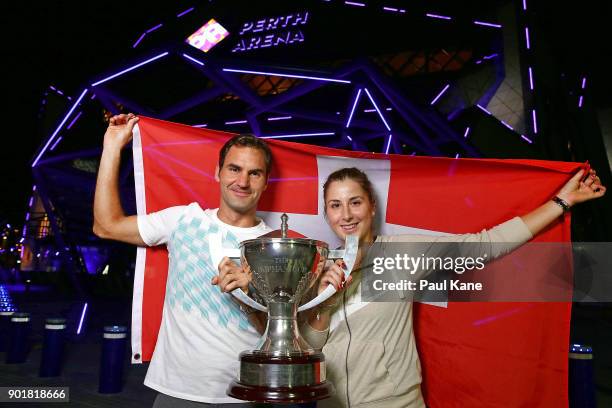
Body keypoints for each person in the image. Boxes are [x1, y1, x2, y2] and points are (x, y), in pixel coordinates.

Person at [302, 166, 606, 408]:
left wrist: (561, 202)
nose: (346, 215)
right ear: (327, 214)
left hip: (394, 402)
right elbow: (310, 346)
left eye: (355, 202)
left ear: (371, 205)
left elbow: (485, 244)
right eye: (335, 205)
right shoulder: (318, 264)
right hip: (332, 402)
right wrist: (326, 303)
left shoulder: (403, 253)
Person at [93, 113, 274, 407]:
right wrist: (112, 147)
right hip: (177, 391)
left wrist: (250, 296)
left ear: (266, 182)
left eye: (255, 173)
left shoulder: (275, 246)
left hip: (248, 393)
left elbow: (280, 333)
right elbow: (106, 225)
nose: (242, 181)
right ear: (218, 172)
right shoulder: (183, 219)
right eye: (234, 169)